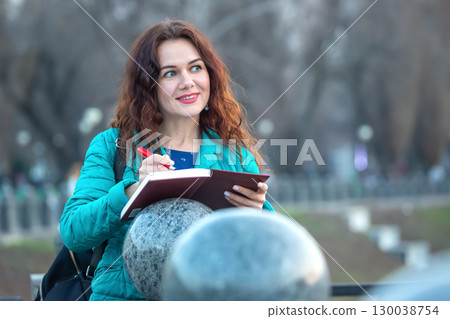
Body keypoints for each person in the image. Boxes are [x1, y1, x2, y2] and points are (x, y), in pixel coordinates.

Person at [60, 19, 274, 301]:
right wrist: (133, 191)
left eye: (196, 68)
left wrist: (257, 216)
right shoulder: (113, 146)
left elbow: (269, 254)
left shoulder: (235, 156)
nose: (188, 82)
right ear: (148, 85)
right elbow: (74, 232)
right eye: (170, 73)